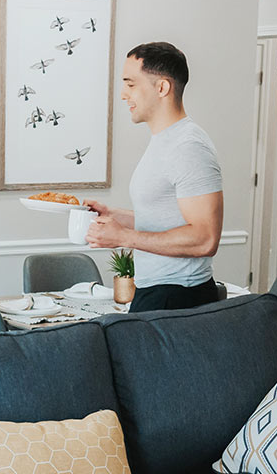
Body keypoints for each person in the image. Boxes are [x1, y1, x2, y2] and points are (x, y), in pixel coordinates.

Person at [84, 41, 224, 312]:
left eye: (131, 84)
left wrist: (124, 236)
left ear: (162, 88)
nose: (124, 95)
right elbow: (166, 220)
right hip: (157, 293)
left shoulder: (189, 147)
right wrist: (112, 216)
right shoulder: (166, 142)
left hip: (178, 298)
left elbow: (205, 238)